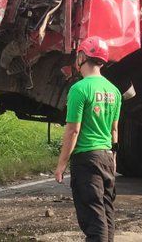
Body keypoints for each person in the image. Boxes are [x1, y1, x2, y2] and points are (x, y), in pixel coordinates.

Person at [54, 36, 121, 242]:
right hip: (106, 156)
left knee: (93, 219)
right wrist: (113, 157)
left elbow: (73, 131)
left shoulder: (79, 89)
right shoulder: (114, 91)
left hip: (87, 159)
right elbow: (114, 130)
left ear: (82, 57)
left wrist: (61, 164)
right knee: (106, 213)